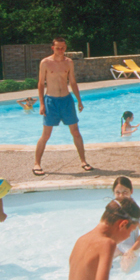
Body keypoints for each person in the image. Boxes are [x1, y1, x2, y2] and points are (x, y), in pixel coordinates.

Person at [34, 37, 92, 176]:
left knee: (76, 132)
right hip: (51, 101)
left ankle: (83, 161)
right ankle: (36, 163)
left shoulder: (69, 62)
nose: (60, 50)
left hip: (66, 100)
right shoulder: (45, 62)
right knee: (46, 135)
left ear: (65, 48)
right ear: (53, 48)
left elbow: (73, 82)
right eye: (58, 48)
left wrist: (79, 100)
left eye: (63, 48)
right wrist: (41, 103)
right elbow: (41, 84)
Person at [111, 177, 140, 272]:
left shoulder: (136, 211)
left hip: (131, 247)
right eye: (117, 192)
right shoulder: (114, 208)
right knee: (99, 263)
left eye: (125, 192)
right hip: (118, 246)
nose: (121, 196)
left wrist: (132, 250)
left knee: (125, 270)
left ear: (131, 191)